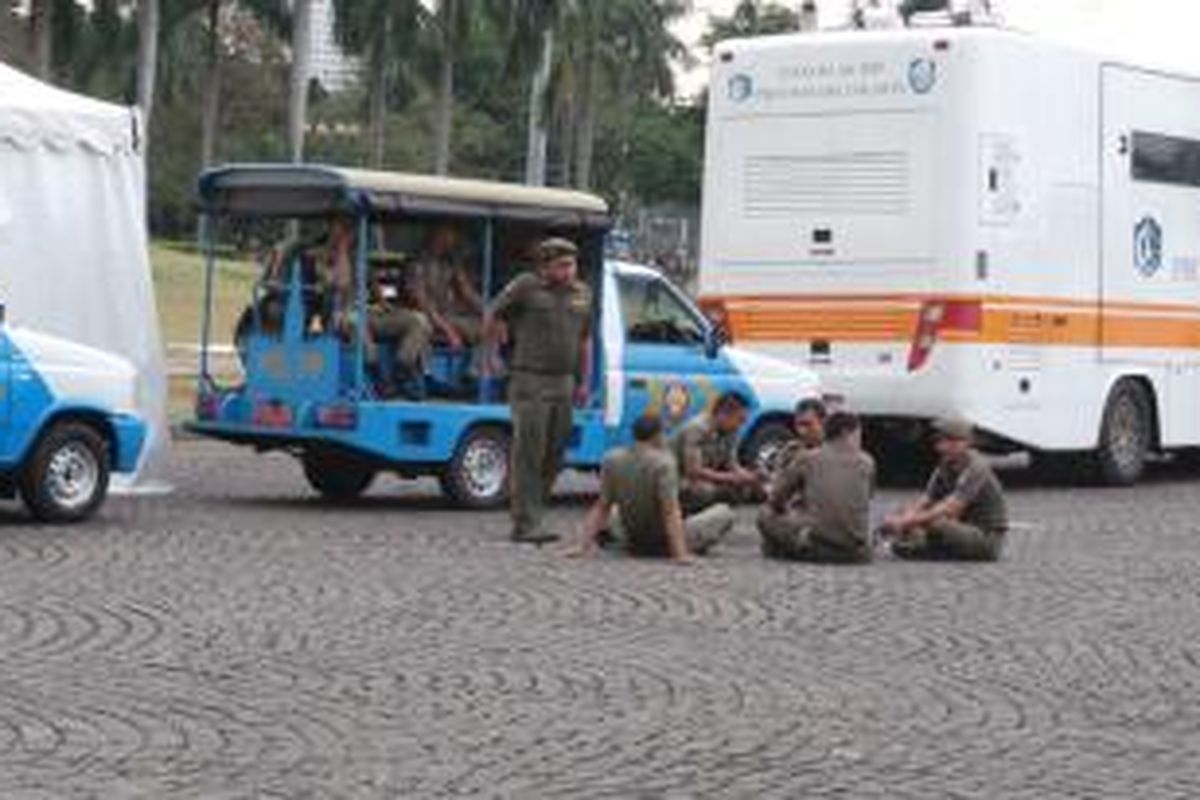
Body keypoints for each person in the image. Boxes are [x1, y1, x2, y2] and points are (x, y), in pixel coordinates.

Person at [487, 237, 594, 544]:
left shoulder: (583, 294)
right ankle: (525, 523)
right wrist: (493, 354)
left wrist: (584, 382)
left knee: (555, 455)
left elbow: (586, 339)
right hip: (530, 380)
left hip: (564, 381)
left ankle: (535, 514)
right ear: (545, 266)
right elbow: (495, 313)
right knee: (529, 453)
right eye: (562, 265)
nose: (569, 271)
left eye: (572, 264)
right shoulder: (526, 286)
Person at [568, 414, 735, 562]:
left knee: (614, 511)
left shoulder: (612, 458)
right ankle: (673, 547)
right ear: (658, 436)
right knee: (724, 512)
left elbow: (601, 506)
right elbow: (670, 511)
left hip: (632, 538)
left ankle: (613, 538)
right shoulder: (664, 463)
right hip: (660, 541)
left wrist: (580, 547)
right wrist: (680, 554)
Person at [879, 417, 1008, 561]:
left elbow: (951, 508)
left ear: (961, 443)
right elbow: (926, 499)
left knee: (933, 521)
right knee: (906, 511)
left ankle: (925, 548)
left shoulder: (976, 467)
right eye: (939, 441)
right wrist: (902, 517)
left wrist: (906, 522)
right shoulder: (945, 464)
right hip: (961, 527)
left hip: (985, 537)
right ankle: (922, 546)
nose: (939, 446)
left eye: (944, 441)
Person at [757, 411, 875, 564]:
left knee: (764, 514)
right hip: (857, 552)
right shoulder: (868, 461)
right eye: (859, 434)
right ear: (846, 433)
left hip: (817, 544)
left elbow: (776, 499)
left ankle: (780, 548)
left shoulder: (807, 457)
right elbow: (867, 497)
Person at [670, 391, 766, 515]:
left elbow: (731, 464)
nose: (741, 425)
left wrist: (751, 477)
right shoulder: (697, 429)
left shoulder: (731, 431)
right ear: (723, 414)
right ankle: (687, 515)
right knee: (705, 491)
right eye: (740, 420)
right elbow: (693, 471)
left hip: (705, 476)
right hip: (679, 478)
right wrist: (732, 478)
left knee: (746, 487)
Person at [410, 223, 484, 351]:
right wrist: (446, 329)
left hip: (446, 315)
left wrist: (491, 312)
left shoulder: (450, 260)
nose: (453, 239)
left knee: (488, 327)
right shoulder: (417, 262)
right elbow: (422, 302)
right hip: (426, 317)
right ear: (438, 235)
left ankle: (479, 366)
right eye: (450, 234)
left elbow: (466, 290)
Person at [367, 255, 432, 399]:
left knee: (419, 320)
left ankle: (402, 370)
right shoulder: (327, 257)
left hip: (376, 314)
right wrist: (341, 249)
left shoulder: (362, 263)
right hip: (347, 315)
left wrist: (384, 304)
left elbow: (377, 291)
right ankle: (378, 378)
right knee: (357, 323)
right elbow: (340, 283)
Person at [769, 397, 827, 474]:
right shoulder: (790, 450)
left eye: (807, 424)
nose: (802, 431)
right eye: (799, 425)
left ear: (823, 422)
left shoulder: (836, 450)